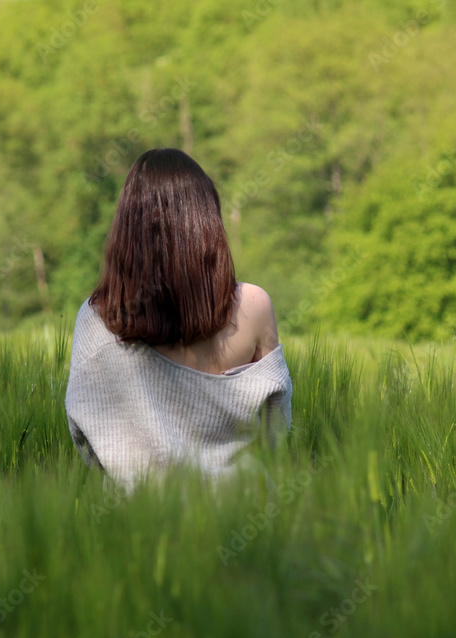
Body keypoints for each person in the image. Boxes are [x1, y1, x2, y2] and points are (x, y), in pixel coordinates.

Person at [64, 148, 293, 492]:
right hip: (248, 513)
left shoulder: (98, 318)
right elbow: (276, 430)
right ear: (208, 223)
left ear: (127, 229)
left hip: (137, 528)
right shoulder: (254, 305)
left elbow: (86, 436)